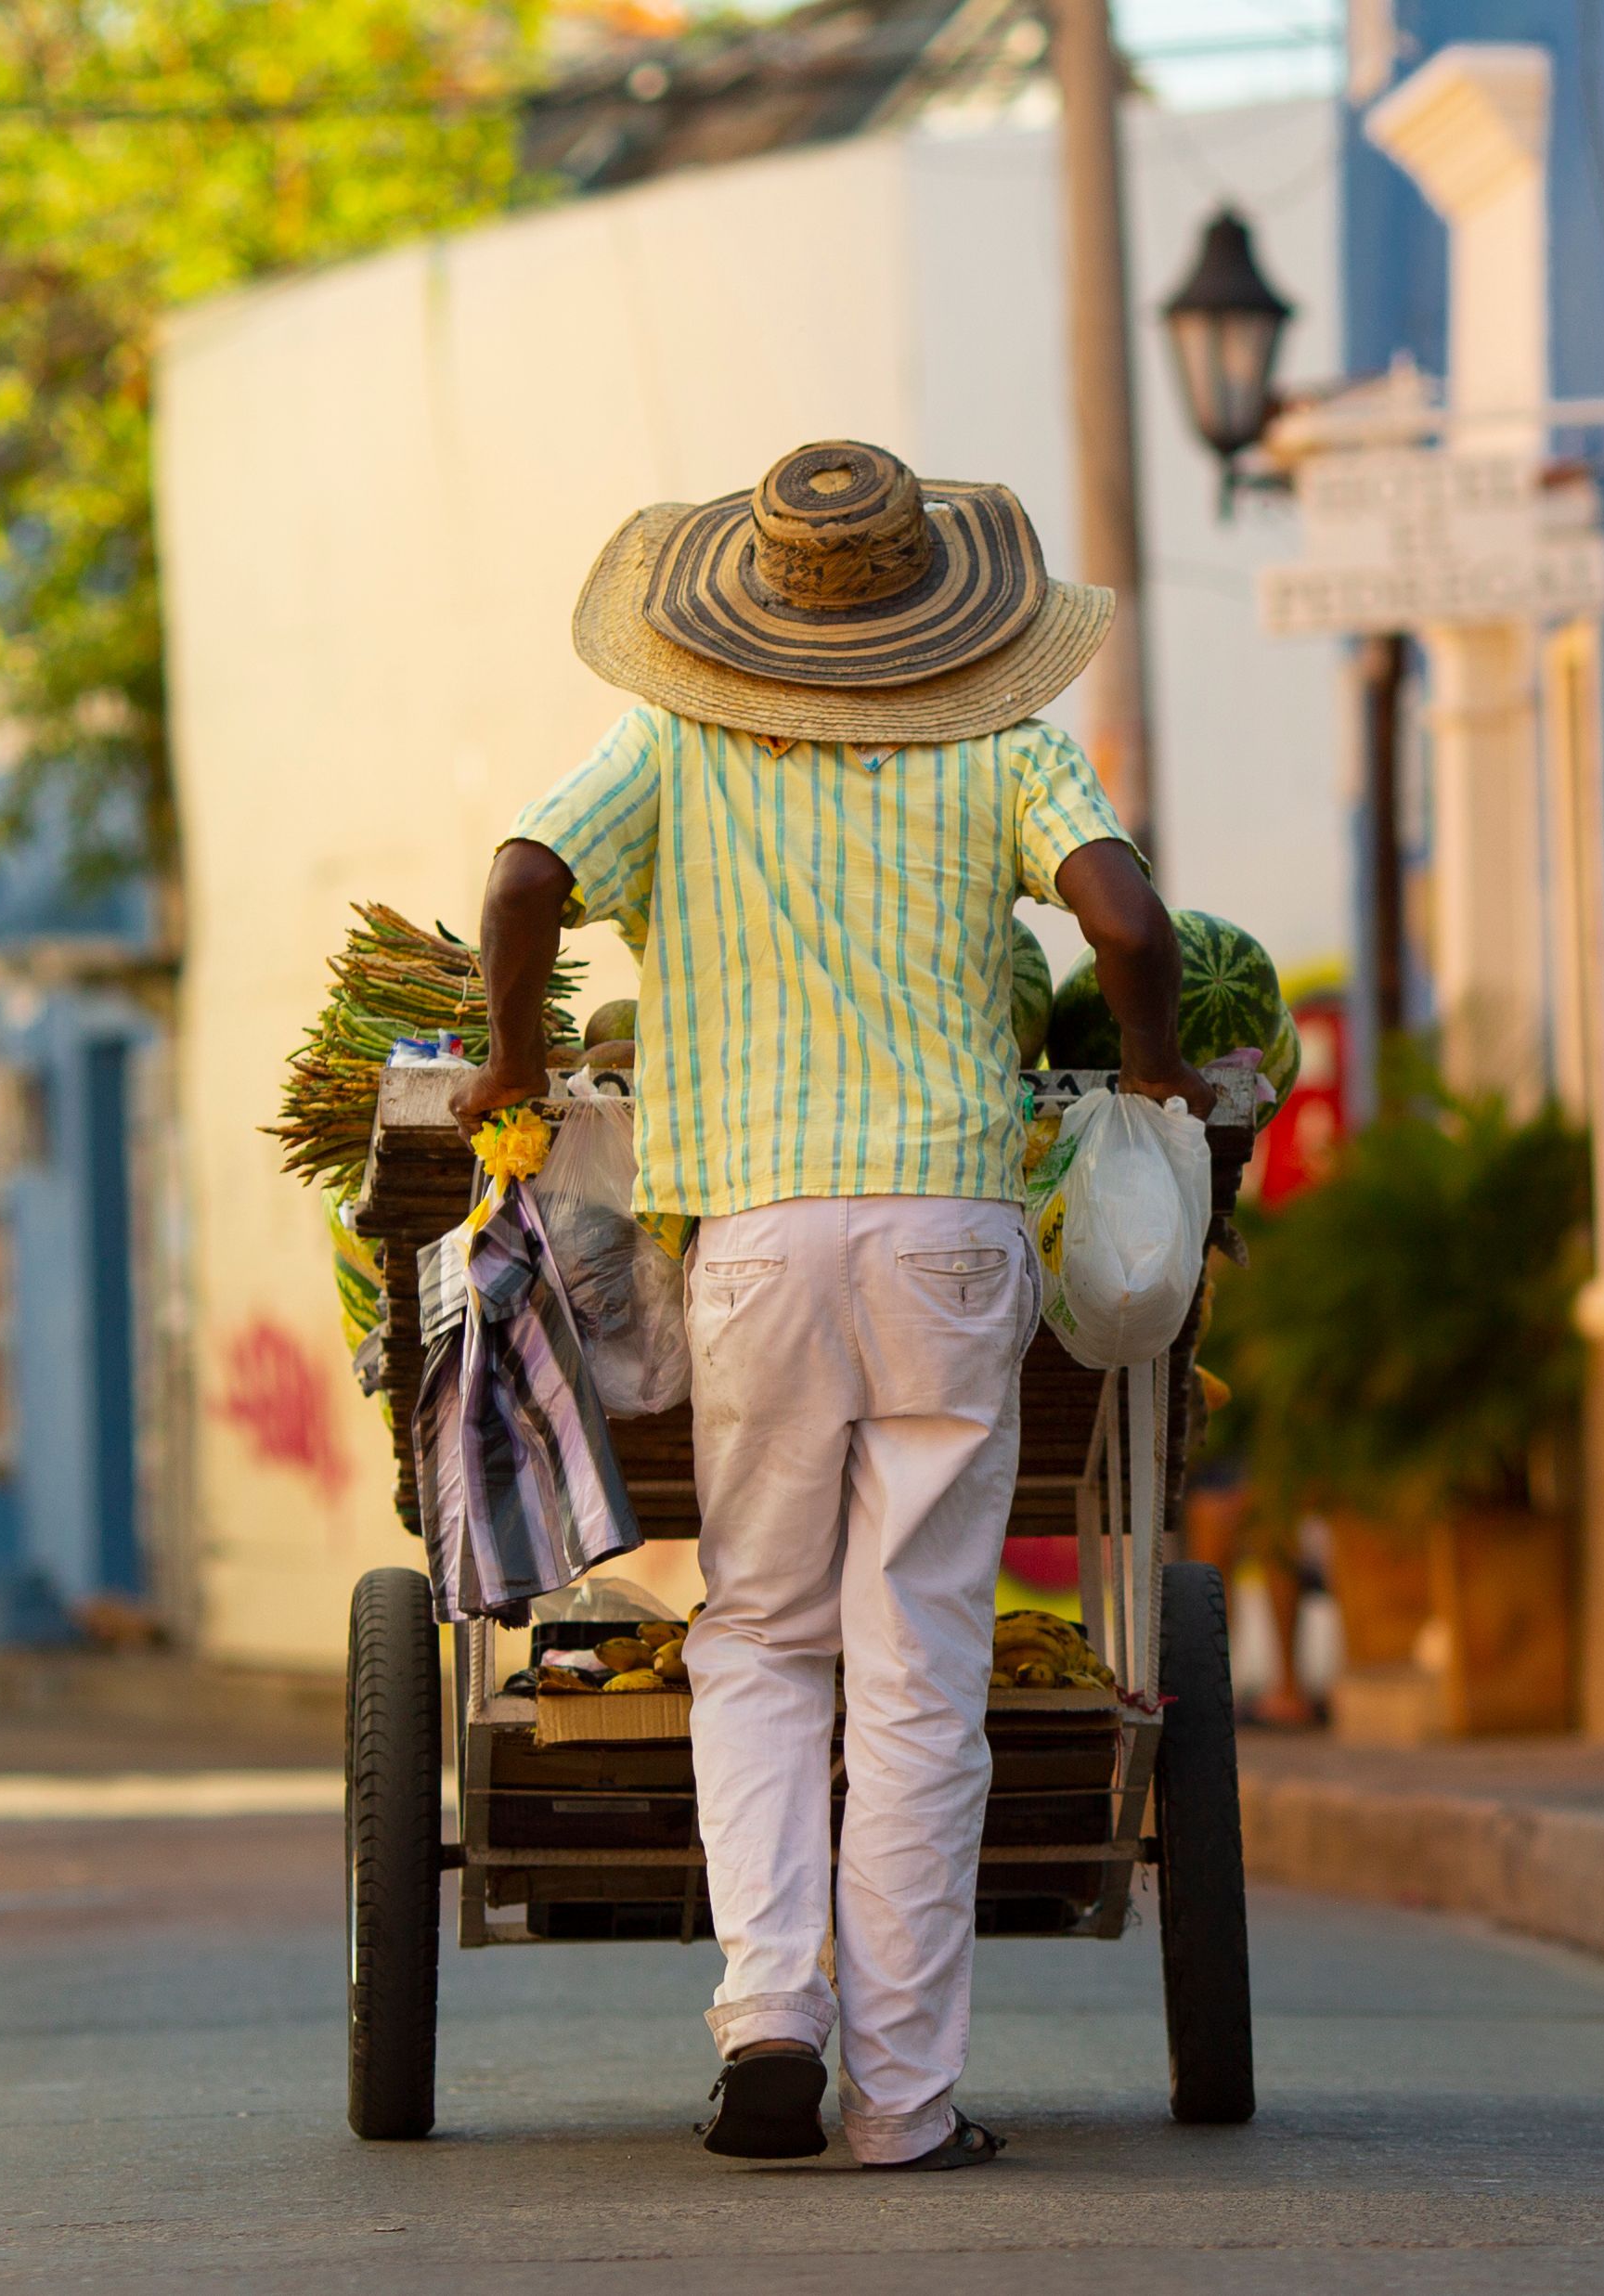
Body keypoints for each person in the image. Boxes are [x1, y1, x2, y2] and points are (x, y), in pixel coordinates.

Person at [461, 439, 1198, 2173]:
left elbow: (521, 880)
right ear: (939, 606)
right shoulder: (1005, 741)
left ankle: (771, 2017)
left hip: (760, 1243)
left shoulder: (673, 742)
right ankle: (904, 2104)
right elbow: (1127, 922)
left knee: (763, 1636)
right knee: (921, 1662)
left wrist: (510, 1064)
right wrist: (1154, 1071)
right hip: (951, 1233)